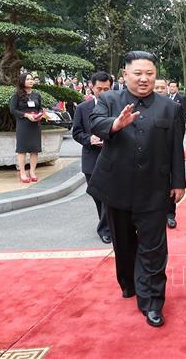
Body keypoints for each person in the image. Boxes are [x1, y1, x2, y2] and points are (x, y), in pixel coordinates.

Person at [88, 51, 186, 327]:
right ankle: (128, 281)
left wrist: (178, 182)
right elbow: (94, 122)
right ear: (125, 75)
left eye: (150, 73)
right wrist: (114, 125)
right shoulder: (108, 100)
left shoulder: (169, 107)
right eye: (138, 73)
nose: (144, 79)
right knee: (124, 243)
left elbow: (175, 147)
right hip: (117, 187)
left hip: (155, 189)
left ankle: (153, 301)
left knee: (154, 249)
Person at [72, 72, 113, 244]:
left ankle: (105, 229)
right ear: (91, 87)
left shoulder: (118, 106)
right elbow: (77, 132)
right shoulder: (82, 108)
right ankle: (107, 225)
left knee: (110, 195)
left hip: (113, 158)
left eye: (107, 89)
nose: (103, 92)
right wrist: (90, 139)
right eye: (99, 89)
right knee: (98, 195)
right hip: (91, 158)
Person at [9, 72, 43, 183]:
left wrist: (40, 115)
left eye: (31, 79)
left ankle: (32, 171)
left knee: (35, 149)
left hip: (35, 124)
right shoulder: (17, 95)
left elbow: (40, 108)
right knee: (22, 149)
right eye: (28, 79)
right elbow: (13, 110)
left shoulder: (37, 95)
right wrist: (26, 115)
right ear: (22, 81)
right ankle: (23, 173)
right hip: (23, 124)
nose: (30, 81)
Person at [166, 80, 186, 229]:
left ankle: (170, 215)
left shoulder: (176, 105)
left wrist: (178, 140)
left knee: (170, 184)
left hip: (169, 152)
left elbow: (182, 123)